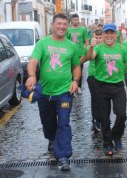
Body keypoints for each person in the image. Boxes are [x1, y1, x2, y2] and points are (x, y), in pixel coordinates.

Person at [25, 13, 81, 171]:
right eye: (59, 24)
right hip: (45, 92)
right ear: (52, 26)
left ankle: (63, 156)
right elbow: (33, 61)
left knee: (63, 123)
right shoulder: (43, 43)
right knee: (48, 122)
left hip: (64, 92)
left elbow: (76, 66)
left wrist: (75, 81)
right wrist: (31, 76)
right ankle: (51, 138)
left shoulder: (71, 45)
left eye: (65, 24)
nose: (62, 26)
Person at [87, 23, 127, 156]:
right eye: (106, 33)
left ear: (115, 35)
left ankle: (116, 135)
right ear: (103, 35)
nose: (109, 35)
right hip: (101, 86)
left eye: (112, 33)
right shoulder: (98, 48)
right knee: (104, 118)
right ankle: (107, 143)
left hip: (117, 86)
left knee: (122, 115)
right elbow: (90, 56)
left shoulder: (122, 49)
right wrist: (91, 46)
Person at [80, 29, 104, 132]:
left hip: (105, 77)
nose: (98, 40)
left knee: (104, 100)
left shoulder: (107, 48)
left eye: (100, 38)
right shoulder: (90, 48)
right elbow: (82, 60)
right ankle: (96, 120)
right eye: (96, 38)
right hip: (93, 76)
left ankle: (103, 119)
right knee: (95, 99)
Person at [65, 13, 89, 92]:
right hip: (71, 53)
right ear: (71, 21)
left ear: (79, 20)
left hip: (80, 53)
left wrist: (86, 48)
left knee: (79, 70)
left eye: (77, 20)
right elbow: (65, 41)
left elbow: (86, 40)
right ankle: (71, 86)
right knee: (71, 70)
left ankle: (78, 87)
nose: (75, 21)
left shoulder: (83, 29)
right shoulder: (68, 30)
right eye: (74, 20)